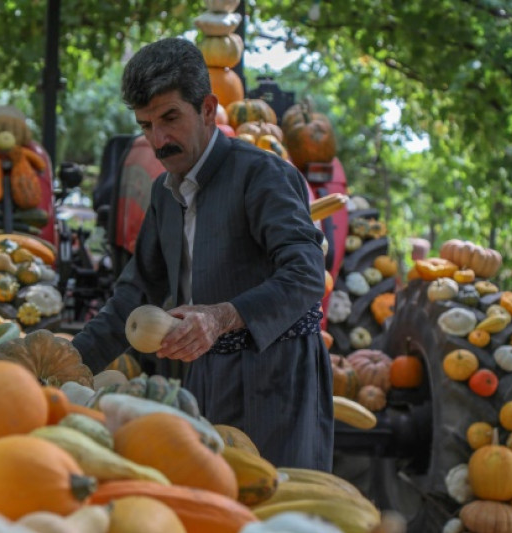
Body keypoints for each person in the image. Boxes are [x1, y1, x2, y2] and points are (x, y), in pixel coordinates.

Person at [70, 37, 334, 471]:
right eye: (146, 125)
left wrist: (220, 317)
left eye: (170, 118)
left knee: (272, 508)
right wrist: (62, 365)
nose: (159, 140)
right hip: (207, 376)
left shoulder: (262, 174)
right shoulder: (163, 192)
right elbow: (131, 301)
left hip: (277, 380)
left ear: (209, 109)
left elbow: (307, 275)